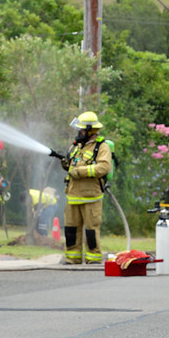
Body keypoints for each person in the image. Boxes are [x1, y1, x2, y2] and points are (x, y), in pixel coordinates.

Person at [60, 111, 112, 264]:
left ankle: (93, 259)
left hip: (91, 197)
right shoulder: (78, 147)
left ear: (91, 130)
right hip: (72, 195)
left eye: (81, 130)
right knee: (70, 229)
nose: (79, 132)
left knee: (90, 230)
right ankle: (72, 258)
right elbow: (73, 165)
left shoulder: (102, 147)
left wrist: (80, 172)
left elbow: (103, 168)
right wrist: (66, 164)